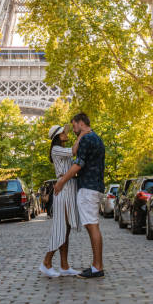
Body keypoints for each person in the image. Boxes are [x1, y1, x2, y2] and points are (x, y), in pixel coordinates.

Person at [54, 113, 105, 279]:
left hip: (88, 188)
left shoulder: (86, 140)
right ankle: (97, 265)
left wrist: (61, 182)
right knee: (93, 225)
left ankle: (97, 267)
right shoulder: (96, 138)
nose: (73, 130)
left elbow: (78, 164)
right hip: (96, 186)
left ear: (81, 122)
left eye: (74, 126)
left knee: (92, 225)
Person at [39, 124, 84, 278]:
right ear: (58, 136)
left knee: (67, 229)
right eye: (64, 132)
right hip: (63, 188)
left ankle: (64, 266)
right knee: (61, 228)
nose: (66, 133)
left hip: (69, 188)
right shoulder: (56, 149)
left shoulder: (60, 149)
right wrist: (82, 134)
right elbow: (73, 150)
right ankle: (46, 262)